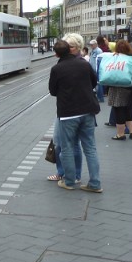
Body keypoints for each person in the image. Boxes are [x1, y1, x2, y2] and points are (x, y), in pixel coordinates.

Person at [48, 37, 102, 192]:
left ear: (57, 54)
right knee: (90, 148)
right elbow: (94, 82)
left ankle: (69, 181)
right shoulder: (84, 64)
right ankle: (95, 183)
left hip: (68, 113)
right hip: (88, 111)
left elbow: (53, 91)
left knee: (67, 148)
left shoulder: (57, 69)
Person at [106, 39, 132, 140]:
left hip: (118, 87)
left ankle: (120, 134)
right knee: (130, 109)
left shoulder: (115, 58)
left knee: (119, 109)